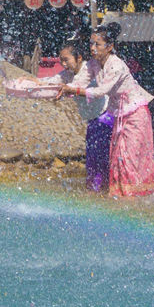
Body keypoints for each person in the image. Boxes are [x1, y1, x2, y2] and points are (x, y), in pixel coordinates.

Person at [63, 23, 154, 198]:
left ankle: (135, 198)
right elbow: (79, 82)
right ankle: (120, 194)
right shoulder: (93, 64)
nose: (92, 48)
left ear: (110, 46)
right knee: (118, 158)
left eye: (97, 44)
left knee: (130, 159)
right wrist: (57, 89)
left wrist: (73, 91)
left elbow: (101, 91)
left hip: (135, 114)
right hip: (118, 114)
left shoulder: (116, 66)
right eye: (91, 44)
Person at [56, 37, 109, 192]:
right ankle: (95, 191)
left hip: (104, 118)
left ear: (79, 58)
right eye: (61, 61)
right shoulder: (68, 74)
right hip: (93, 120)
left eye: (66, 60)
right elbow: (53, 80)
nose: (63, 64)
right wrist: (32, 82)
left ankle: (101, 192)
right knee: (92, 159)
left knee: (101, 159)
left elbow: (81, 86)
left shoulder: (89, 69)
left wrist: (68, 89)